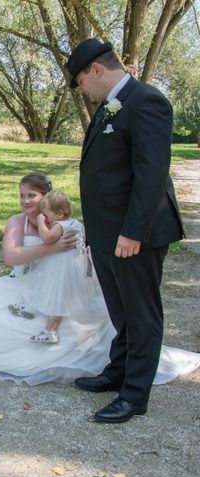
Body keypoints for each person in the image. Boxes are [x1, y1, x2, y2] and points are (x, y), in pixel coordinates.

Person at [0, 173, 200, 387]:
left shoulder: (68, 223)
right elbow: (11, 256)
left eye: (31, 195)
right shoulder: (17, 222)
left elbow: (86, 254)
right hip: (24, 284)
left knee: (87, 322)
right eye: (22, 195)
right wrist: (51, 249)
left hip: (63, 287)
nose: (25, 201)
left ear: (46, 197)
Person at [67, 38, 186, 423]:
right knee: (119, 310)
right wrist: (94, 229)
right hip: (106, 234)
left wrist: (133, 232)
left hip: (136, 235)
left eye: (81, 81)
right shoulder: (109, 107)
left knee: (141, 313)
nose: (82, 89)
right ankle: (118, 370)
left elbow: (150, 176)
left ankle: (135, 394)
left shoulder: (146, 102)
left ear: (97, 70)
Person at [12, 191, 96, 344]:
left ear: (60, 213)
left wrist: (40, 222)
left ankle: (50, 332)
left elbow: (47, 238)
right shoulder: (76, 224)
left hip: (61, 268)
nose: (46, 218)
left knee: (55, 297)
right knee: (49, 289)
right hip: (73, 266)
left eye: (47, 215)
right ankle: (32, 308)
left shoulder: (59, 225)